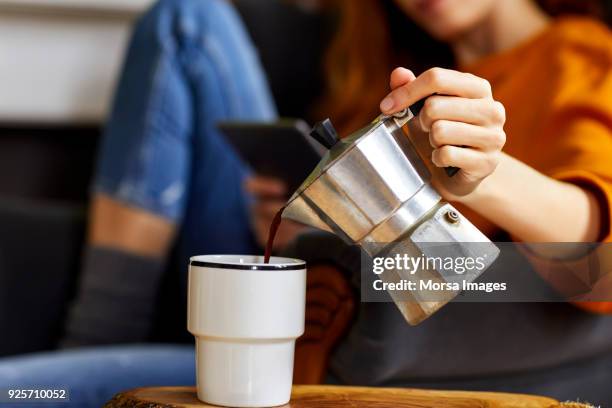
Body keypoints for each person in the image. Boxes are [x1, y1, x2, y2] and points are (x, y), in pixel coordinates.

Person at [0, 0, 611, 406]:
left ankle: (93, 346)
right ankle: (101, 340)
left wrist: (485, 175)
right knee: (186, 18)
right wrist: (301, 220)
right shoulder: (390, 75)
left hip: (318, 354)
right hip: (273, 287)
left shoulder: (579, 58)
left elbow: (599, 263)